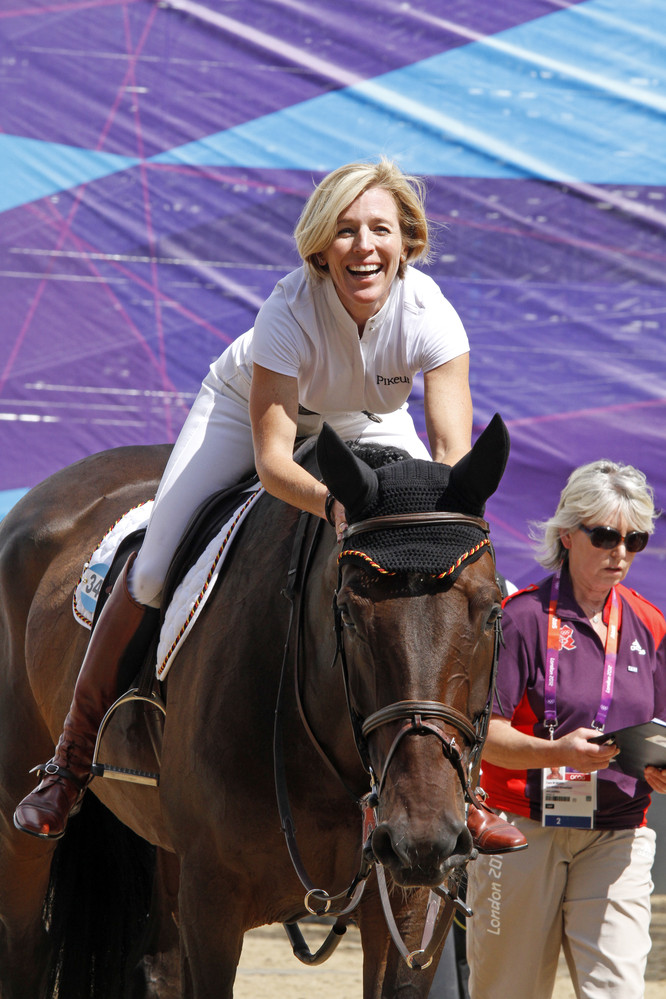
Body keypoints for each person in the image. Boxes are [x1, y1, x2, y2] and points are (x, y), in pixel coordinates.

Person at [14, 157, 521, 856]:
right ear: (320, 246)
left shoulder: (432, 315)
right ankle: (70, 761)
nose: (364, 246)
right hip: (248, 414)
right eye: (345, 231)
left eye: (380, 230)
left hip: (367, 421)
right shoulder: (289, 309)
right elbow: (276, 462)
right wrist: (336, 506)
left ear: (408, 241)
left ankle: (468, 786)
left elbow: (447, 452)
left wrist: (437, 536)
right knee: (154, 564)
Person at [466, 459, 666, 999]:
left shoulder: (650, 624)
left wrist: (660, 768)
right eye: (604, 536)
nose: (619, 553)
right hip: (522, 827)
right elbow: (485, 736)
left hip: (618, 832)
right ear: (567, 535)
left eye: (635, 539)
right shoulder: (522, 617)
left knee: (617, 991)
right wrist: (556, 751)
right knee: (509, 990)